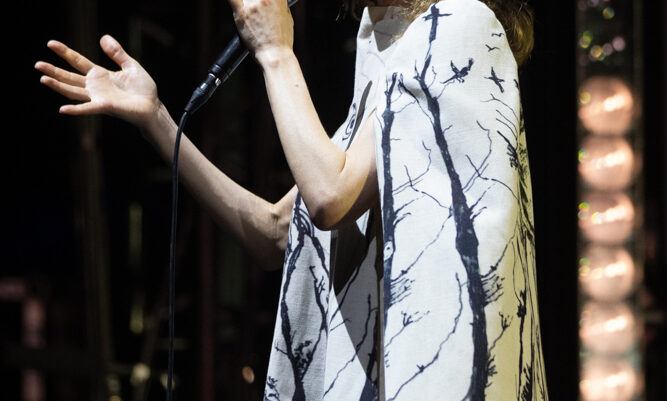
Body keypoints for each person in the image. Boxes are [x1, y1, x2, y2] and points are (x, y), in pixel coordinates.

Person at [36, 0, 549, 399]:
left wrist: (276, 52)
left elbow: (329, 196)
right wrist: (156, 118)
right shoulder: (390, 74)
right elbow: (279, 232)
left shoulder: (460, 22)